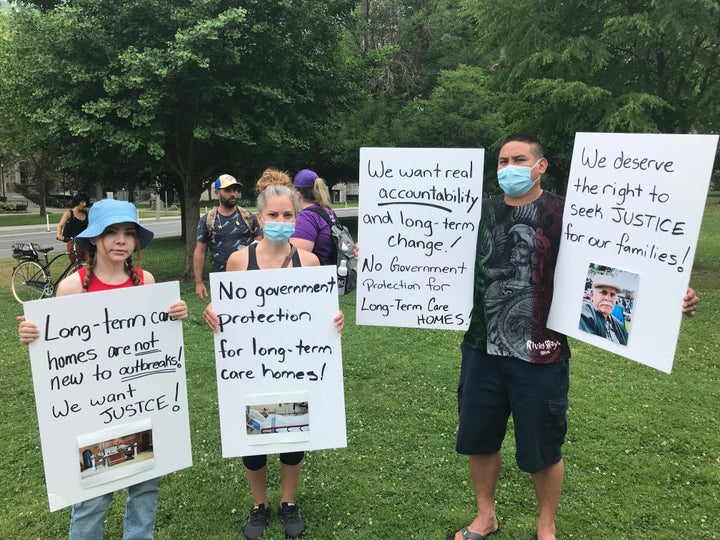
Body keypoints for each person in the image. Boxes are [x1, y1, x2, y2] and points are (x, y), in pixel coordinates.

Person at [451, 133, 700, 540]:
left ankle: (546, 526)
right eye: (501, 162)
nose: (509, 168)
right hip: (482, 348)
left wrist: (673, 295)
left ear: (541, 165)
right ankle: (485, 517)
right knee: (479, 438)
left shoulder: (568, 214)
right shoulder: (481, 211)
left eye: (518, 159)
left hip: (543, 353)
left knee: (544, 447)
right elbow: (440, 259)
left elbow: (617, 261)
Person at [18, 198, 188, 540]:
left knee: (144, 488)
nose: (121, 240)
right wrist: (33, 335)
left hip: (141, 406)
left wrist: (174, 315)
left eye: (129, 233)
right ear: (94, 238)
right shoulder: (71, 287)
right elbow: (60, 349)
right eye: (111, 233)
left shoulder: (146, 282)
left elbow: (154, 341)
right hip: (93, 411)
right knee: (92, 497)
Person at [203, 184, 344, 540]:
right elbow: (227, 309)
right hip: (251, 366)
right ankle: (259, 504)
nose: (281, 221)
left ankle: (288, 502)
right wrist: (212, 312)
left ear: (296, 218)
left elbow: (318, 314)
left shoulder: (309, 261)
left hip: (295, 364)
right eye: (273, 215)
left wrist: (334, 320)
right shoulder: (239, 261)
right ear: (260, 216)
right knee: (255, 439)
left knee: (293, 433)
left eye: (288, 215)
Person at [194, 174, 262, 300]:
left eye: (235, 190)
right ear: (217, 193)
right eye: (228, 190)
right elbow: (200, 250)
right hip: (220, 280)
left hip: (248, 276)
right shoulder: (207, 220)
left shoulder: (248, 217)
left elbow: (260, 245)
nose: (233, 194)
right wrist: (199, 282)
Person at [290, 168, 338, 266]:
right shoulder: (328, 211)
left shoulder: (306, 217)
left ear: (298, 195)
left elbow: (296, 258)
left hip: (317, 276)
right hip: (332, 271)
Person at [579, 275, 629, 344]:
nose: (608, 298)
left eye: (612, 295)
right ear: (592, 294)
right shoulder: (584, 313)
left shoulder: (620, 326)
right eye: (603, 293)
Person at [56, 192, 90, 263]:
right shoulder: (69, 213)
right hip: (73, 242)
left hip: (84, 242)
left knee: (88, 264)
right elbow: (60, 225)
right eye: (82, 202)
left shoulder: (86, 214)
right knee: (76, 264)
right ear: (77, 202)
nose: (84, 204)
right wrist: (59, 235)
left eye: (85, 202)